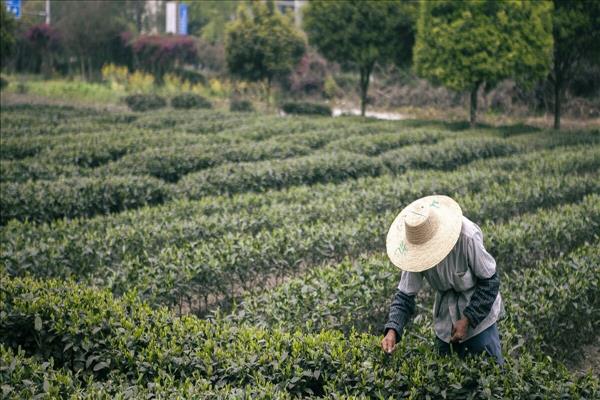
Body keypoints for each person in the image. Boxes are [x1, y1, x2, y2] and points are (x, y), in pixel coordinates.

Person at [380, 195, 504, 364]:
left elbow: (490, 281)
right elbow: (404, 296)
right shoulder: (415, 252)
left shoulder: (466, 236)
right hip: (445, 320)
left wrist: (468, 319)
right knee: (445, 372)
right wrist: (392, 329)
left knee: (489, 371)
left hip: (479, 320)